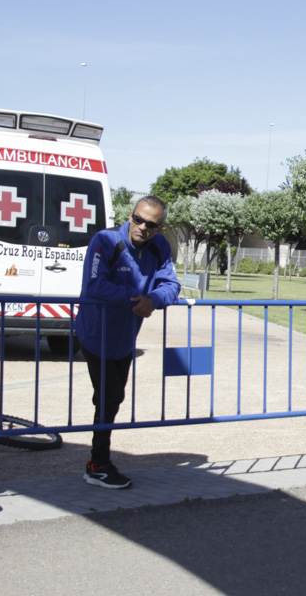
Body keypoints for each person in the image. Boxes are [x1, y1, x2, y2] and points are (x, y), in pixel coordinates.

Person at [78, 196, 181, 488]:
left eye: (151, 224)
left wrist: (154, 300)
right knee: (108, 397)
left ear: (160, 228)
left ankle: (97, 461)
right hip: (95, 333)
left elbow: (171, 285)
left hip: (125, 339)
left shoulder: (159, 246)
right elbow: (94, 284)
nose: (142, 228)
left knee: (112, 399)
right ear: (130, 215)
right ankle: (97, 463)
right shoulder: (105, 240)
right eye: (138, 219)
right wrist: (135, 300)